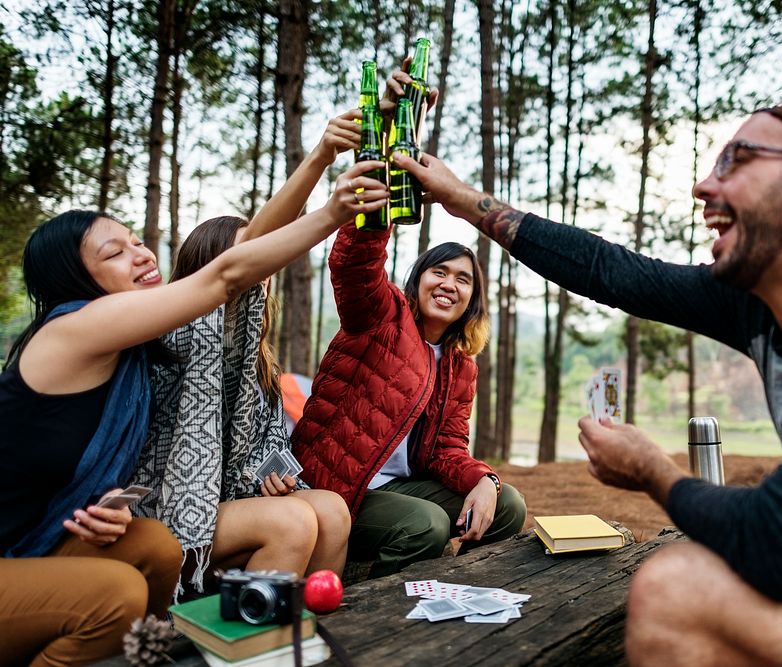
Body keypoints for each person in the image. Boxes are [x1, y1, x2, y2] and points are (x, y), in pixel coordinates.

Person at [394, 96, 782, 667]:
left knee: (676, 589)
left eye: (736, 160)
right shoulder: (762, 306)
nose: (703, 186)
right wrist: (462, 200)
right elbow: (613, 272)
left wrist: (654, 472)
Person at [0, 154, 386, 664]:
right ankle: (242, 648)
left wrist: (100, 503)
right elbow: (231, 269)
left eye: (137, 240)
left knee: (157, 547)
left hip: (42, 534)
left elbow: (241, 263)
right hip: (24, 545)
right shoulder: (76, 329)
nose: (140, 254)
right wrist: (333, 209)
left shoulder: (130, 352)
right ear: (75, 280)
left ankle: (239, 646)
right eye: (115, 252)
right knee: (120, 591)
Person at [128, 115, 362, 592]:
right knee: (293, 521)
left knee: (331, 511)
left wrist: (270, 474)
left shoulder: (255, 357)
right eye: (256, 260)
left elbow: (267, 441)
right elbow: (253, 247)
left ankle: (304, 628)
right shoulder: (171, 328)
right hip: (168, 505)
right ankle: (249, 645)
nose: (267, 269)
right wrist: (321, 156)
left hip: (231, 497)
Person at [291, 226, 527, 579]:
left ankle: (460, 585)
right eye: (440, 272)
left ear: (472, 299)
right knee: (425, 523)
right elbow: (354, 265)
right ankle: (375, 601)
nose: (449, 284)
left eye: (463, 279)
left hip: (396, 487)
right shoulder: (382, 318)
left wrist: (485, 481)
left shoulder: (460, 366)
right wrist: (377, 211)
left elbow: (447, 448)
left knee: (508, 503)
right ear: (418, 280)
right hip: (340, 487)